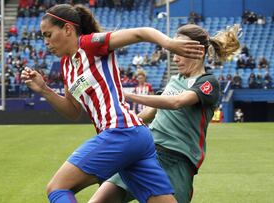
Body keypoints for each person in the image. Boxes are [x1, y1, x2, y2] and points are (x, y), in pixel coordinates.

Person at [21, 4, 204, 203]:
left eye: (48, 34)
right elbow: (73, 111)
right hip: (136, 137)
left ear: (67, 29)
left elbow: (140, 33)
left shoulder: (90, 44)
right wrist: (44, 90)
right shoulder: (67, 66)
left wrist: (169, 44)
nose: (45, 42)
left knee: (57, 188)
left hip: (120, 132)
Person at [90, 24, 241, 203]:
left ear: (199, 52)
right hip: (145, 152)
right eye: (173, 52)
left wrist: (127, 94)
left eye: (180, 52)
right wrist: (120, 125)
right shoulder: (174, 80)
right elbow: (150, 113)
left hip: (177, 161)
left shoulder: (208, 83)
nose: (175, 59)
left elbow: (175, 102)